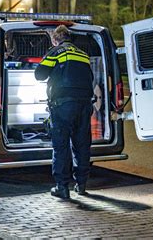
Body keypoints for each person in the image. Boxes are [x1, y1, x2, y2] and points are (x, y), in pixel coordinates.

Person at [34, 25, 94, 199]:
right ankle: (81, 185)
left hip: (62, 105)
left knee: (61, 146)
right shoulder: (83, 54)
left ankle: (62, 187)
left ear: (55, 39)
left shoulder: (57, 52)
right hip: (84, 105)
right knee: (82, 145)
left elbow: (39, 75)